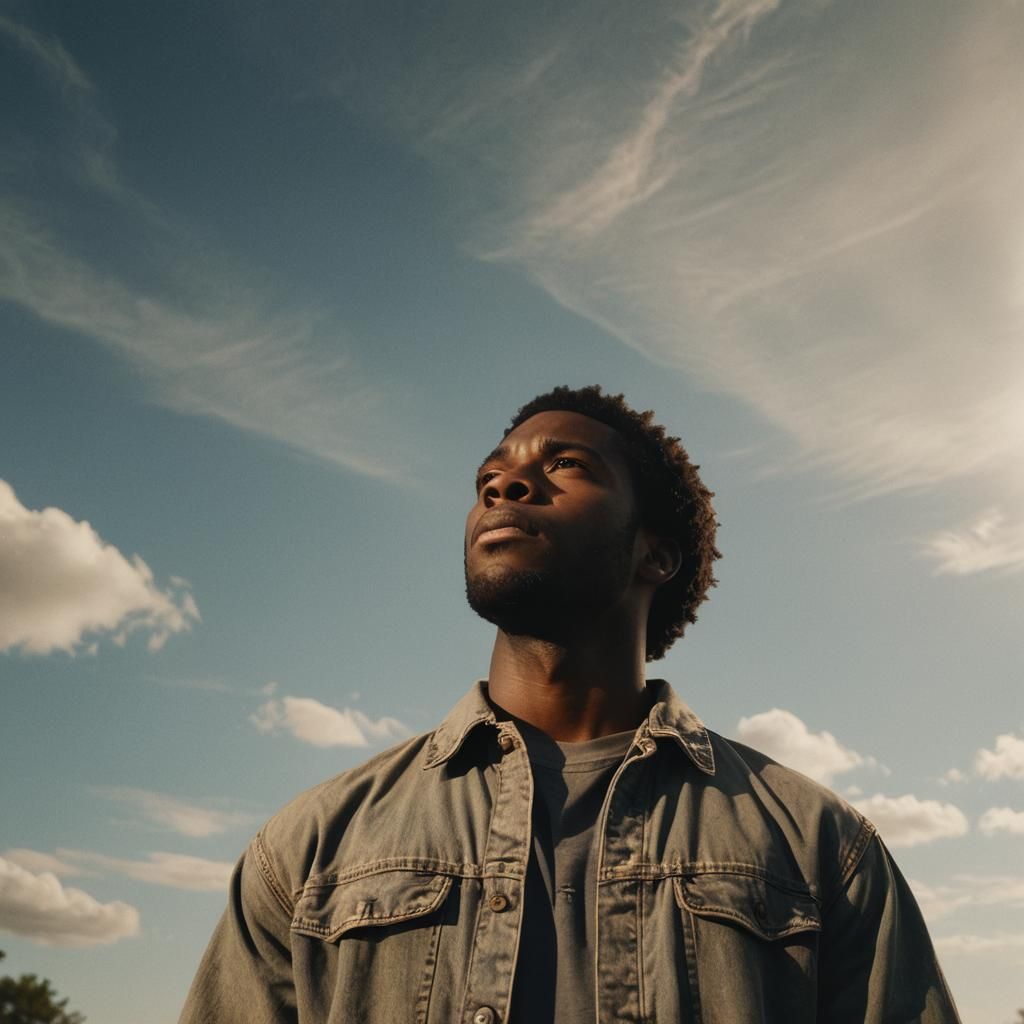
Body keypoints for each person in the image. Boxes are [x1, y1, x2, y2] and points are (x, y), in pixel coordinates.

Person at [180, 384, 960, 1023]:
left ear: (655, 551)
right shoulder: (310, 849)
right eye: (493, 474)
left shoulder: (818, 846)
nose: (506, 484)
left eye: (567, 466)